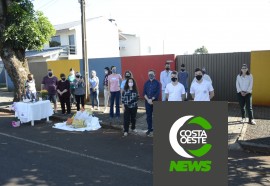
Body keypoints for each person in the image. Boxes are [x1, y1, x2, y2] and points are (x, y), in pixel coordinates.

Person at [143, 69, 160, 136]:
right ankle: (149, 129)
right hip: (147, 102)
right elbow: (144, 93)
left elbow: (158, 93)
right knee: (148, 116)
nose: (150, 75)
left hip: (155, 101)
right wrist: (148, 100)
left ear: (154, 74)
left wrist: (152, 99)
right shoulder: (146, 83)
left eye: (152, 74)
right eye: (149, 74)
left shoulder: (157, 83)